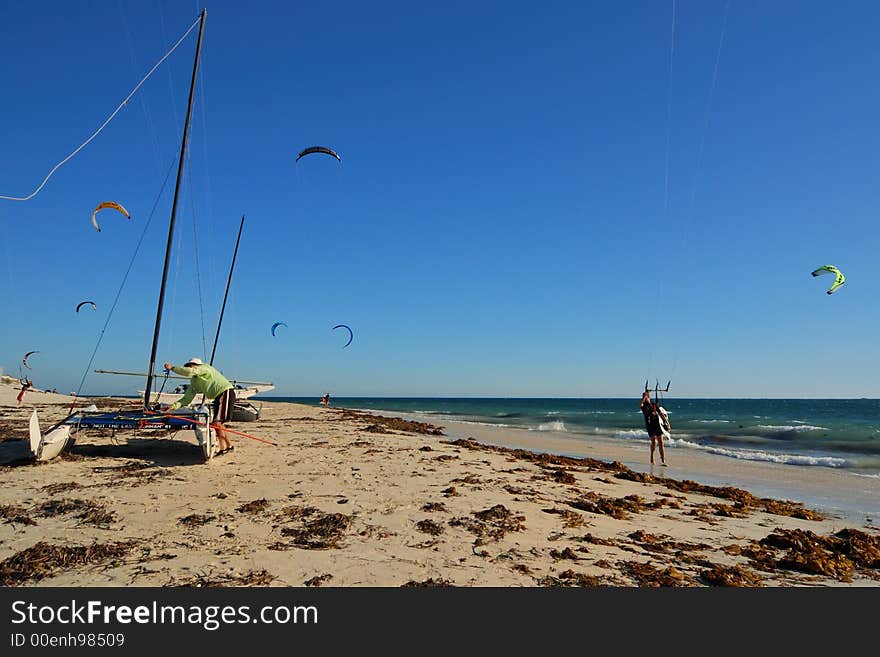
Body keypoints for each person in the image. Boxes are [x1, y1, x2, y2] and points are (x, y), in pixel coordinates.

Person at [162, 357, 236, 456]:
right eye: (188, 366)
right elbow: (187, 398)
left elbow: (189, 372)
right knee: (219, 423)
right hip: (218, 396)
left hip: (225, 392)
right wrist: (173, 406)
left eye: (191, 366)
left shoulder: (205, 368)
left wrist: (172, 368)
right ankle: (228, 446)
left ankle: (223, 448)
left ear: (196, 365)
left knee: (217, 422)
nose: (190, 368)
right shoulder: (194, 381)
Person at [640, 389, 667, 466]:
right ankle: (652, 456)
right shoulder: (644, 407)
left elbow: (661, 413)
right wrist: (643, 398)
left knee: (661, 442)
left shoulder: (654, 405)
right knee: (654, 442)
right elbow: (640, 405)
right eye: (643, 397)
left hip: (657, 425)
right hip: (650, 426)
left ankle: (663, 460)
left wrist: (666, 422)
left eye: (646, 397)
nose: (645, 398)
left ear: (649, 397)